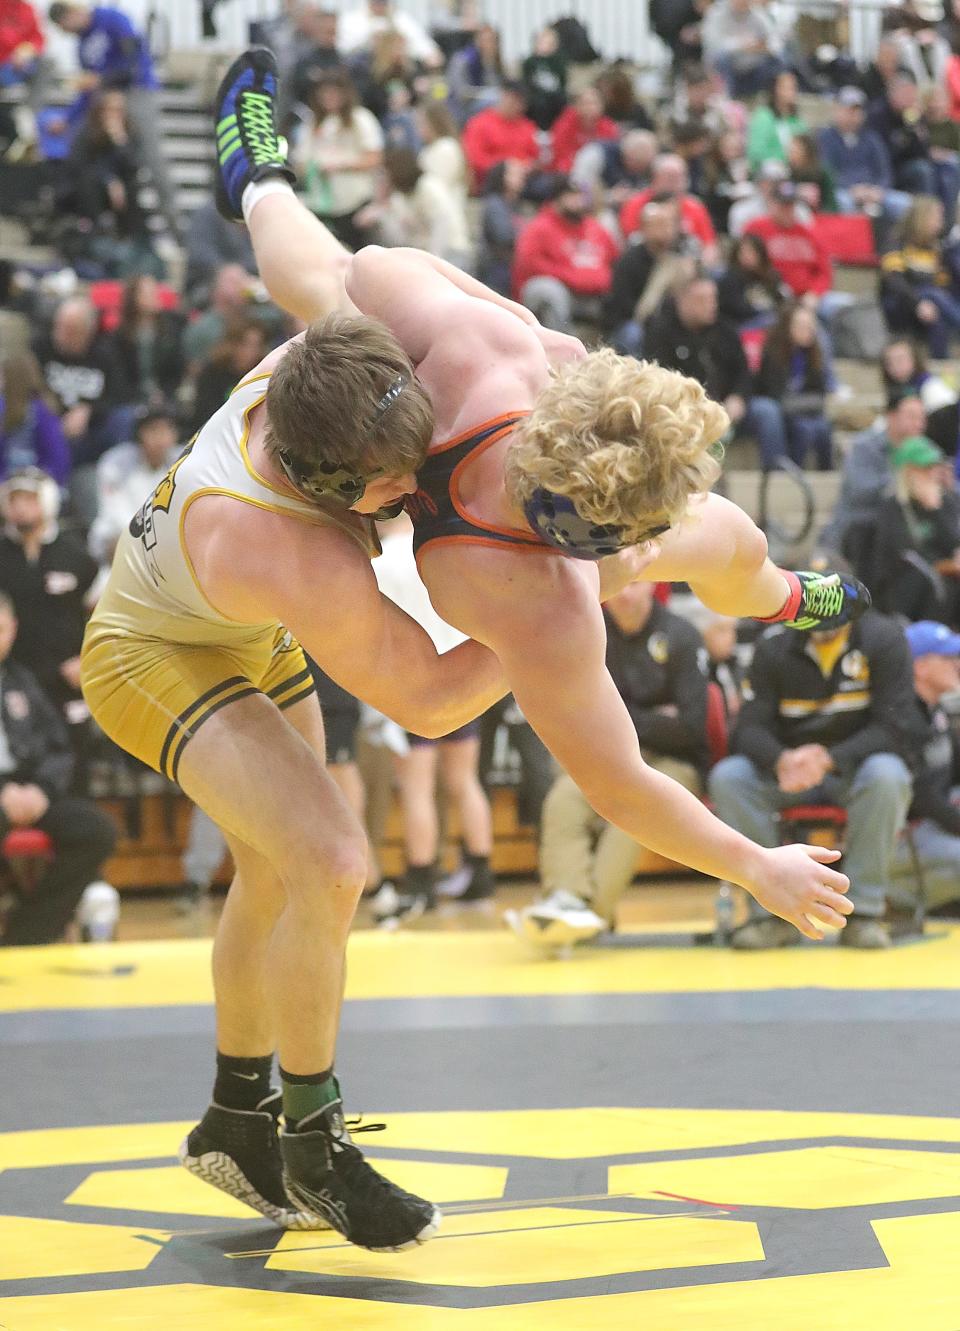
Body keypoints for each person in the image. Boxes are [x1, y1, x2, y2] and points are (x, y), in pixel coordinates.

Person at [134, 46, 864, 1249]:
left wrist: (753, 862)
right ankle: (250, 170)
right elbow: (594, 771)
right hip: (437, 480)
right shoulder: (495, 481)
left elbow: (617, 770)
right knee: (314, 269)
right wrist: (757, 864)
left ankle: (788, 593)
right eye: (595, 554)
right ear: (573, 528)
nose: (606, 574)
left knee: (719, 542)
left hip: (518, 463)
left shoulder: (549, 569)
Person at [508, 580, 709, 948]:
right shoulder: (588, 633)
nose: (625, 592)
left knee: (634, 811)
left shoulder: (682, 636)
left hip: (673, 762)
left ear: (653, 583)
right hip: (610, 757)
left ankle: (591, 915)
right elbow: (576, 712)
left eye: (635, 583)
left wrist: (619, 720)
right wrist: (653, 718)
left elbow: (691, 728)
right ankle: (567, 898)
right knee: (564, 799)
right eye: (619, 583)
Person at [708, 612, 917, 949]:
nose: (822, 616)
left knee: (888, 774)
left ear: (851, 606)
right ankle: (769, 917)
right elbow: (747, 729)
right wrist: (781, 760)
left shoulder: (885, 639)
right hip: (790, 774)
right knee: (730, 777)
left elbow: (897, 728)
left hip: (854, 772)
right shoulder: (773, 645)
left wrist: (829, 758)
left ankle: (864, 914)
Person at [371, 513, 494, 921]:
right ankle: (481, 869)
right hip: (462, 676)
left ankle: (421, 879)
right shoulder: (439, 553)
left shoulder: (382, 562)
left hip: (414, 684)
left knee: (417, 789)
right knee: (464, 781)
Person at [0, 591, 115, 946]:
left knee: (95, 830)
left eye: (0, 628)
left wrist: (42, 791)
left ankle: (27, 934)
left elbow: (58, 746)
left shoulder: (22, 681)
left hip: (31, 789)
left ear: (13, 629)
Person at [47, 2, 180, 241]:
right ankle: (96, 226)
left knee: (151, 158)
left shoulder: (112, 18)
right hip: (106, 101)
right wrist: (68, 119)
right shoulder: (82, 45)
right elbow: (88, 90)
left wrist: (104, 80)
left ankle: (175, 224)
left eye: (63, 26)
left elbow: (134, 58)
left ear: (70, 14)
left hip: (136, 92)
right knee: (84, 150)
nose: (66, 33)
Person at [0, 468, 98, 768]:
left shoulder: (76, 553)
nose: (20, 507)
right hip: (15, 680)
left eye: (29, 498)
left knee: (77, 757)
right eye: (14, 499)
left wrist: (88, 658)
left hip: (66, 676)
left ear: (48, 500)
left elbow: (102, 613)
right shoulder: (2, 554)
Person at [643, 271, 789, 469]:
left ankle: (776, 477)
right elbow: (658, 379)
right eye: (702, 299)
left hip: (729, 409)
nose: (711, 305)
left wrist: (738, 397)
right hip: (687, 412)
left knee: (767, 411)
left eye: (713, 299)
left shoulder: (726, 331)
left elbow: (744, 373)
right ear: (683, 301)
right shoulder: (660, 333)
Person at [892, 619, 960, 916]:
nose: (956, 664)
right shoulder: (900, 717)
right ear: (919, 667)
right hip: (904, 832)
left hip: (935, 823)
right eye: (947, 658)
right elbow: (920, 795)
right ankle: (889, 897)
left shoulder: (938, 711)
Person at [820, 389, 929, 563]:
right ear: (891, 416)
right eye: (911, 416)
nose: (919, 424)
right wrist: (901, 479)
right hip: (859, 533)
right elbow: (860, 491)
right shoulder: (864, 447)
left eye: (922, 418)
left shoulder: (924, 451)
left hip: (900, 533)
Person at [865, 435, 960, 622]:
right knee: (939, 585)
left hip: (944, 576)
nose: (933, 474)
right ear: (908, 472)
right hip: (906, 583)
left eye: (934, 467)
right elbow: (904, 553)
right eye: (925, 468)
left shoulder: (945, 501)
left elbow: (953, 542)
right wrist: (943, 566)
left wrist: (936, 511)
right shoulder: (892, 507)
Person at [290, 69, 383, 252]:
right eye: (324, 93)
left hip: (355, 203)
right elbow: (299, 161)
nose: (329, 97)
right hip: (321, 204)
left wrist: (341, 165)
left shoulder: (360, 119)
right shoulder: (311, 124)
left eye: (334, 92)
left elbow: (374, 158)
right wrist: (314, 166)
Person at [512, 177, 619, 331]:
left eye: (580, 195)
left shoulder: (596, 228)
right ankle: (563, 348)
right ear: (556, 199)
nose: (577, 201)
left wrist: (601, 280)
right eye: (570, 195)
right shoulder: (539, 228)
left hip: (594, 295)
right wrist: (574, 277)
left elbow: (615, 261)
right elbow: (530, 265)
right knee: (549, 289)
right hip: (558, 293)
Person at [89, 405, 181, 569]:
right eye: (153, 430)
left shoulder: (184, 462)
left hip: (170, 552)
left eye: (166, 430)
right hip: (118, 549)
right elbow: (114, 518)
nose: (160, 437)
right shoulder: (115, 462)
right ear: (139, 433)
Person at [602, 198, 695, 357]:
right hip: (633, 323)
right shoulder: (630, 261)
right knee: (633, 333)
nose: (666, 230)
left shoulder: (682, 258)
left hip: (670, 323)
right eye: (659, 224)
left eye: (670, 224)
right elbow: (622, 305)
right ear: (644, 228)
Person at [818, 86, 912, 240]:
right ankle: (850, 247)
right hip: (843, 190)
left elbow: (884, 172)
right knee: (843, 202)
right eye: (849, 110)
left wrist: (877, 190)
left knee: (905, 204)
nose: (854, 116)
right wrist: (854, 189)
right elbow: (827, 173)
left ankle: (896, 249)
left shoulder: (871, 139)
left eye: (858, 111)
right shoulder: (826, 138)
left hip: (873, 190)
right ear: (838, 110)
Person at [753, 303, 835, 469]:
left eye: (810, 326)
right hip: (782, 410)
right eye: (802, 326)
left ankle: (826, 473)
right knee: (803, 429)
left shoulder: (815, 354)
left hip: (802, 409)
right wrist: (805, 404)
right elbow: (776, 396)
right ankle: (787, 473)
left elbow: (821, 395)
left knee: (823, 427)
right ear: (788, 327)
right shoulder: (773, 353)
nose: (808, 331)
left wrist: (803, 404)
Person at [880, 195, 960, 357]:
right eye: (937, 216)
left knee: (937, 308)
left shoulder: (937, 249)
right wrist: (918, 304)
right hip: (898, 305)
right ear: (922, 218)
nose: (941, 222)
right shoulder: (897, 243)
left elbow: (943, 284)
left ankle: (940, 361)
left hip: (929, 306)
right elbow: (894, 282)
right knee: (931, 294)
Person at [619, 153, 719, 265]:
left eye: (681, 176)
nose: (677, 182)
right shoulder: (635, 204)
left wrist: (704, 266)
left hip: (687, 262)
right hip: (646, 262)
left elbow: (709, 245)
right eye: (670, 177)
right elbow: (630, 240)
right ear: (655, 178)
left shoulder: (694, 206)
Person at [110, 274, 185, 408]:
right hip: (129, 400)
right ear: (134, 298)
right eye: (148, 293)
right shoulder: (120, 336)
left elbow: (176, 371)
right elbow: (119, 377)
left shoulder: (171, 330)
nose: (155, 296)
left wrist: (164, 394)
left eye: (155, 291)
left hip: (164, 397)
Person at [0, 351, 70, 486]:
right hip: (6, 485)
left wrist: (41, 483)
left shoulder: (43, 411)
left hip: (40, 483)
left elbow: (57, 459)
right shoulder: (2, 407)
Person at [460, 81, 540, 192]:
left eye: (520, 102)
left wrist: (524, 167)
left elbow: (535, 157)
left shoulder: (528, 126)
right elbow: (474, 158)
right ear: (503, 96)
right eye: (512, 100)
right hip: (490, 180)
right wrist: (505, 168)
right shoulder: (479, 123)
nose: (516, 106)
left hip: (524, 179)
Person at [702, 0, 784, 97]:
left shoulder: (757, 13)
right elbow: (713, 45)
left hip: (753, 66)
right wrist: (742, 45)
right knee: (721, 57)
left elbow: (776, 42)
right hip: (728, 66)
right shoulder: (716, 13)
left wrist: (763, 46)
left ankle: (771, 100)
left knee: (780, 58)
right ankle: (727, 99)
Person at [549, 85, 618, 175]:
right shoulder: (564, 124)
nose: (590, 108)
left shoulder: (608, 128)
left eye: (594, 103)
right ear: (576, 106)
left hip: (598, 174)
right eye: (585, 103)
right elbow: (560, 156)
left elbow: (611, 158)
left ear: (602, 106)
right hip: (568, 173)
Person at [746, 70, 806, 170]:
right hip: (769, 172)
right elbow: (755, 152)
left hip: (797, 171)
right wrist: (784, 159)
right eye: (788, 88)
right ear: (776, 89)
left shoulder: (797, 120)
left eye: (794, 88)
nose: (793, 92)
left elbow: (805, 147)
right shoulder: (763, 117)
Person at [880, 337, 957, 413]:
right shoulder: (895, 389)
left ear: (915, 358)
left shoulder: (932, 387)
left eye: (900, 359)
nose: (895, 366)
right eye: (889, 362)